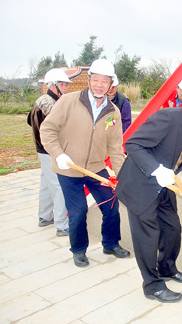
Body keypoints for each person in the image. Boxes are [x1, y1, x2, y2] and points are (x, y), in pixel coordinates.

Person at [115, 78, 182, 303]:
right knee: (148, 235)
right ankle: (152, 285)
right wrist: (155, 170)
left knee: (173, 229)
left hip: (165, 187)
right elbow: (133, 144)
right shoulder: (168, 117)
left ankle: (167, 268)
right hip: (140, 185)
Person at [40, 59, 129, 268]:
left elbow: (116, 148)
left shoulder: (113, 112)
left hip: (96, 168)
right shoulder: (69, 101)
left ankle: (110, 243)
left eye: (104, 81)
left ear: (111, 84)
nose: (99, 84)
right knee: (78, 211)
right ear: (89, 80)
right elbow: (47, 130)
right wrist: (58, 154)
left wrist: (124, 176)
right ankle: (78, 250)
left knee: (111, 205)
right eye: (95, 79)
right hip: (68, 168)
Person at [27, 68, 70, 236]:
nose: (66, 87)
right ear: (52, 86)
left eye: (66, 84)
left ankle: (44, 217)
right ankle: (61, 224)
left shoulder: (42, 100)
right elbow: (61, 128)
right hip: (49, 149)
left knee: (46, 183)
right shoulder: (50, 103)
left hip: (42, 148)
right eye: (62, 84)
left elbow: (28, 121)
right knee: (58, 185)